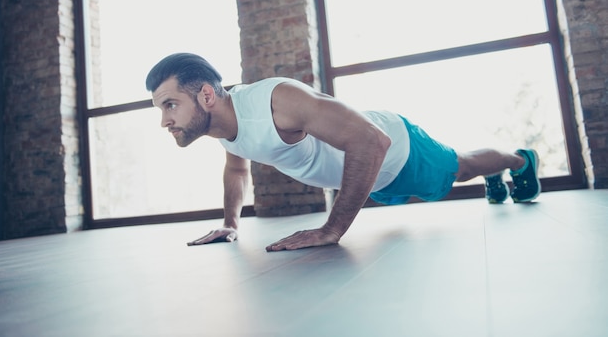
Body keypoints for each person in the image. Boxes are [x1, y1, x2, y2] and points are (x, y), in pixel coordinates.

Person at [145, 52, 541, 252]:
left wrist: (331, 229)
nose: (165, 121)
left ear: (207, 96)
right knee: (455, 170)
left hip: (394, 149)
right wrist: (232, 223)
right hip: (366, 174)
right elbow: (236, 169)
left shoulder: (278, 100)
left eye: (169, 105)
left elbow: (371, 142)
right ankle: (500, 170)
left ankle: (519, 161)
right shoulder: (225, 128)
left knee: (461, 167)